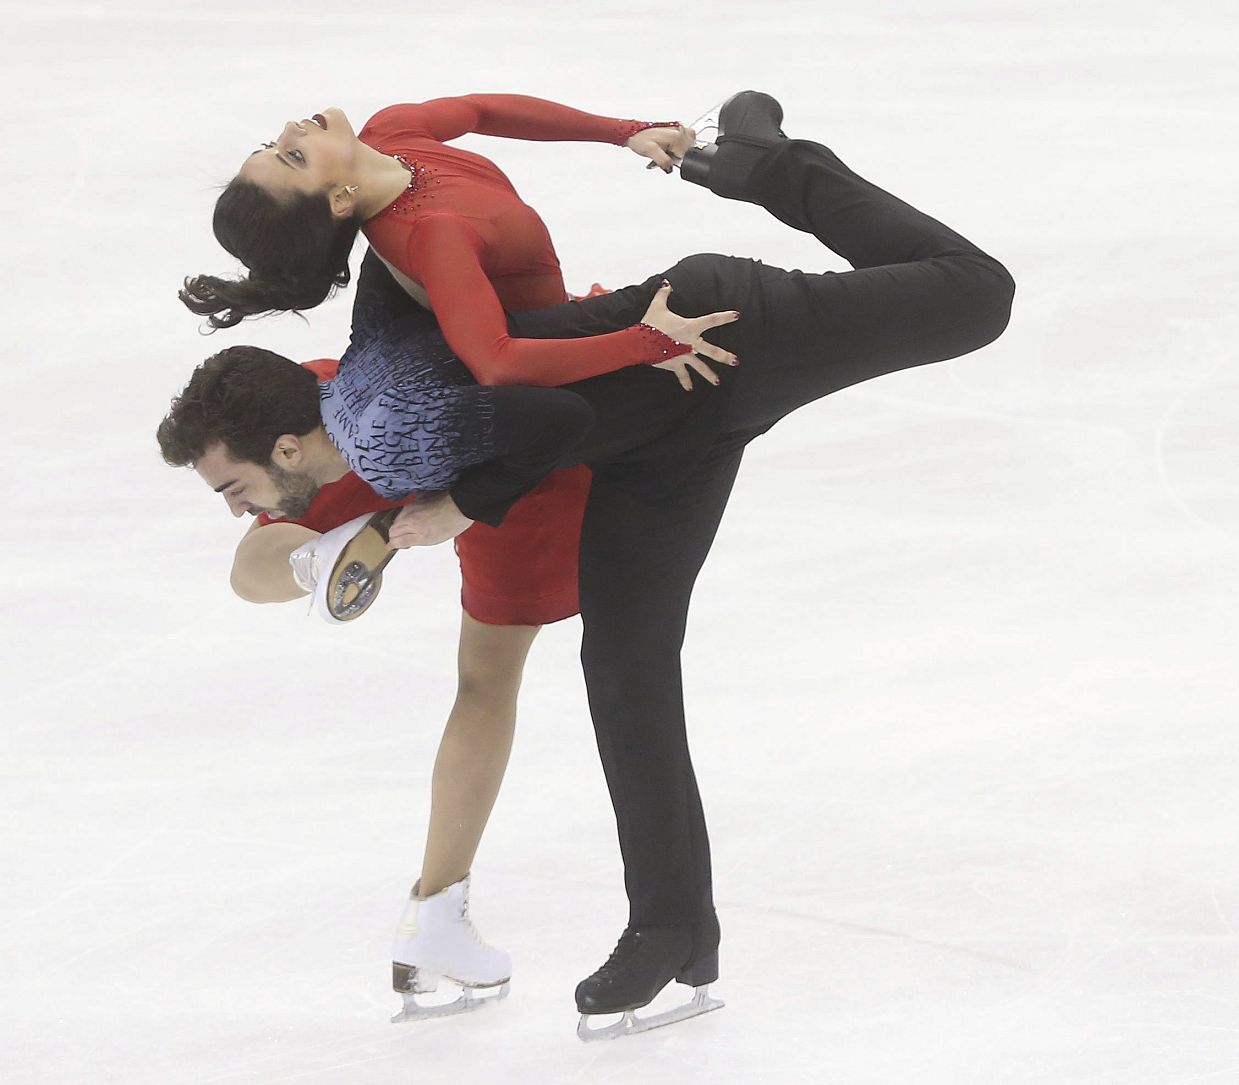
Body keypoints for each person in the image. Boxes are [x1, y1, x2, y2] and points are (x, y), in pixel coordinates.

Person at [161, 91, 1014, 1038]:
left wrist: (457, 507)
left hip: (718, 333)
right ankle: (672, 926)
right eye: (279, 155)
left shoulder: (399, 350)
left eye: (279, 152)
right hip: (653, 445)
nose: (288, 132)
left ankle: (776, 167)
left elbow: (538, 396)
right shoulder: (374, 368)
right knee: (623, 666)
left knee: (977, 295)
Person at [156, 352, 591, 1023]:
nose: (235, 506)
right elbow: (246, 571)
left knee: (487, 674)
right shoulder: (296, 407)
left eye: (234, 488)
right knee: (482, 678)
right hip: (421, 427)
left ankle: (440, 914)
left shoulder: (344, 429)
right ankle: (315, 560)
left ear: (285, 448)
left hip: (520, 470)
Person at [177, 94, 726, 389]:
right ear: (339, 199)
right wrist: (645, 344)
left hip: (583, 330)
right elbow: (497, 364)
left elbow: (484, 111)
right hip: (579, 368)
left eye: (273, 144)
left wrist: (624, 130)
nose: (294, 129)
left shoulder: (390, 132)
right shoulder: (432, 235)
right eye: (294, 158)